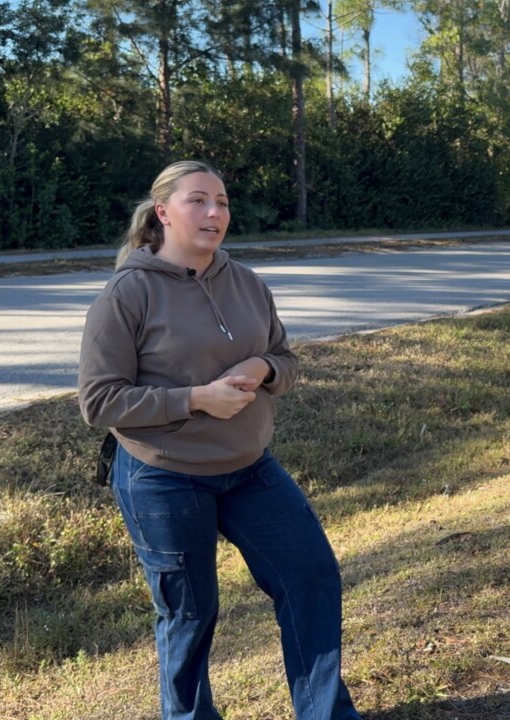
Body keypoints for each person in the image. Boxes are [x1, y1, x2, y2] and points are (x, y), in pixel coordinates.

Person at [78, 160, 362, 720]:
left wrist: (263, 366)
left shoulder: (248, 283)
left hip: (249, 468)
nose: (215, 213)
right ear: (163, 212)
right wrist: (194, 399)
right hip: (161, 474)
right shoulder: (127, 295)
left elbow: (285, 359)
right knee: (190, 613)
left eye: (223, 202)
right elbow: (100, 402)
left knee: (311, 576)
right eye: (198, 201)